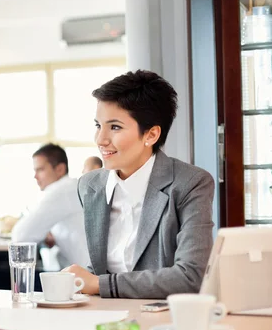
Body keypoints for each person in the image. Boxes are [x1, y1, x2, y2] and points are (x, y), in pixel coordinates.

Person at [63, 70, 215, 299]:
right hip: (105, 318)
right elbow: (102, 269)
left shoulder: (190, 183)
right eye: (98, 125)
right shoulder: (90, 186)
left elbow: (190, 277)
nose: (101, 140)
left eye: (114, 127)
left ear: (151, 135)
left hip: (164, 321)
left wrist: (99, 284)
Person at [11, 143, 89, 269]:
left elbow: (20, 236)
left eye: (40, 170)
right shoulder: (72, 187)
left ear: (60, 169)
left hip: (86, 279)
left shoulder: (60, 191)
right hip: (85, 274)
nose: (35, 176)